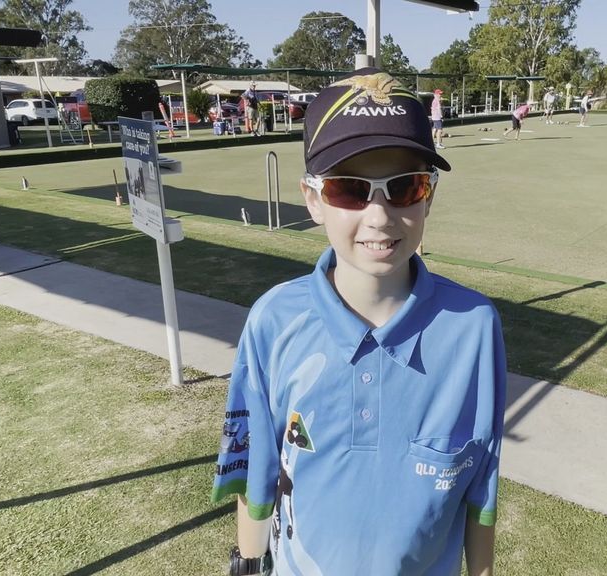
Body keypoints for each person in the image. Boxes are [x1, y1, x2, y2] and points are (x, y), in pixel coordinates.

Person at [213, 67, 506, 576]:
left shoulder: (474, 326)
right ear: (313, 199)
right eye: (350, 189)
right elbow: (256, 467)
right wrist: (248, 563)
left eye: (406, 187)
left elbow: (482, 484)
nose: (379, 215)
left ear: (429, 195)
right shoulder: (273, 320)